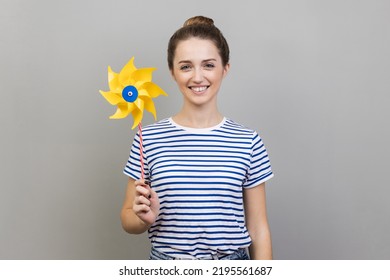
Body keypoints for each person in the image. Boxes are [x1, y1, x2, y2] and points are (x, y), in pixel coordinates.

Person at [120, 16, 274, 260]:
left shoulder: (248, 141)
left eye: (209, 65)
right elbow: (128, 220)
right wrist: (141, 219)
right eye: (185, 66)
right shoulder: (147, 139)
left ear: (225, 68)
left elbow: (258, 229)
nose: (198, 77)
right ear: (172, 71)